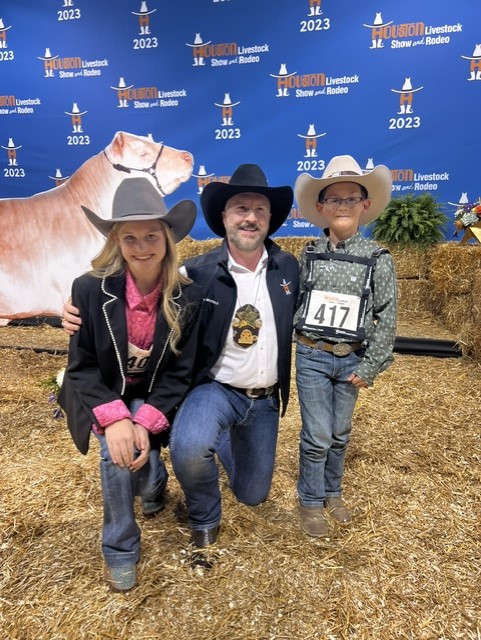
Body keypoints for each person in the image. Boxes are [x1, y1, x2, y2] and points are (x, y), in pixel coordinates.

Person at [62, 163, 299, 551]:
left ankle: (219, 445)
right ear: (223, 216)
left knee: (253, 494)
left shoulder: (289, 267)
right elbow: (110, 303)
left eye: (260, 209)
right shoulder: (197, 273)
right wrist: (70, 310)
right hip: (214, 388)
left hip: (263, 394)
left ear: (271, 218)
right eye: (241, 208)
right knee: (183, 451)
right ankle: (200, 518)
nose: (250, 217)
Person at [58, 177, 202, 591]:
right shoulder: (88, 290)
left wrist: (145, 421)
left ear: (168, 238)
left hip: (155, 394)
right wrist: (116, 419)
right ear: (116, 242)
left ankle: (154, 483)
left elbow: (181, 371)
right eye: (130, 238)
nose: (142, 247)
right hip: (107, 394)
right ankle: (120, 547)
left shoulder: (186, 295)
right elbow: (81, 366)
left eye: (151, 236)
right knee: (117, 454)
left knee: (146, 456)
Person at [293, 155, 397, 537]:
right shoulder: (308, 254)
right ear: (320, 208)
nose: (342, 206)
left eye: (350, 199)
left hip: (350, 359)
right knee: (318, 434)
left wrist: (370, 366)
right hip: (312, 355)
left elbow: (386, 315)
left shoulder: (377, 259)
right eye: (334, 200)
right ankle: (309, 499)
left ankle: (332, 493)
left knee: (339, 433)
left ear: (364, 205)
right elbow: (295, 301)